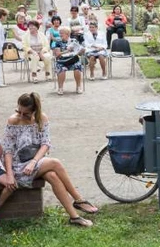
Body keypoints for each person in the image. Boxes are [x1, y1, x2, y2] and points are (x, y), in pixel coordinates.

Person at [5, 92, 96, 227]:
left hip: (36, 163)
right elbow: (8, 150)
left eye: (26, 113)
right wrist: (9, 174)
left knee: (52, 175)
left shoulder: (42, 118)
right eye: (19, 111)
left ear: (35, 110)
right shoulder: (13, 120)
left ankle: (74, 217)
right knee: (55, 163)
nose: (22, 116)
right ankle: (78, 199)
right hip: (19, 166)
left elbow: (45, 144)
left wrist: (34, 161)